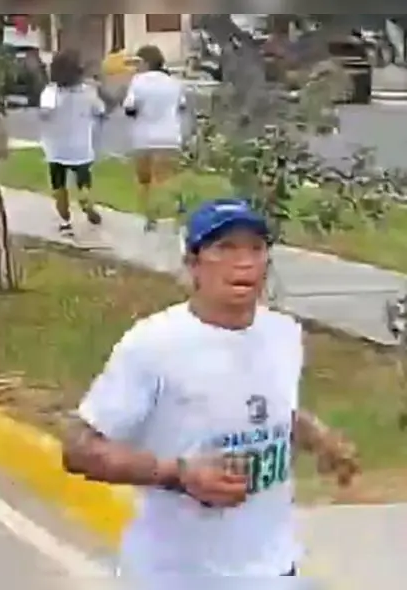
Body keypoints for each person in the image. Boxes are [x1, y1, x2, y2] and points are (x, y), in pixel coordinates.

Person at [61, 197, 360, 579]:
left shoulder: (283, 333)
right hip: (176, 574)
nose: (244, 261)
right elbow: (79, 448)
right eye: (225, 248)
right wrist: (180, 474)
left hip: (273, 567)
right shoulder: (154, 344)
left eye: (256, 248)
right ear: (193, 264)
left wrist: (320, 438)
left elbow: (268, 407)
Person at [38, 50, 104, 237]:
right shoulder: (88, 91)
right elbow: (101, 109)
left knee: (59, 185)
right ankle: (85, 199)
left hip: (56, 147)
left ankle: (65, 220)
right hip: (81, 147)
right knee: (83, 179)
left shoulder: (50, 91)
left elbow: (45, 113)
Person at [122, 45, 186, 232]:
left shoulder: (138, 81)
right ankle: (176, 214)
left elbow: (130, 107)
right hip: (170, 137)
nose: (137, 67)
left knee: (145, 180)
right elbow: (181, 106)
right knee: (167, 179)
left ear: (147, 62)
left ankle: (151, 218)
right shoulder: (174, 82)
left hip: (144, 138)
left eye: (139, 62)